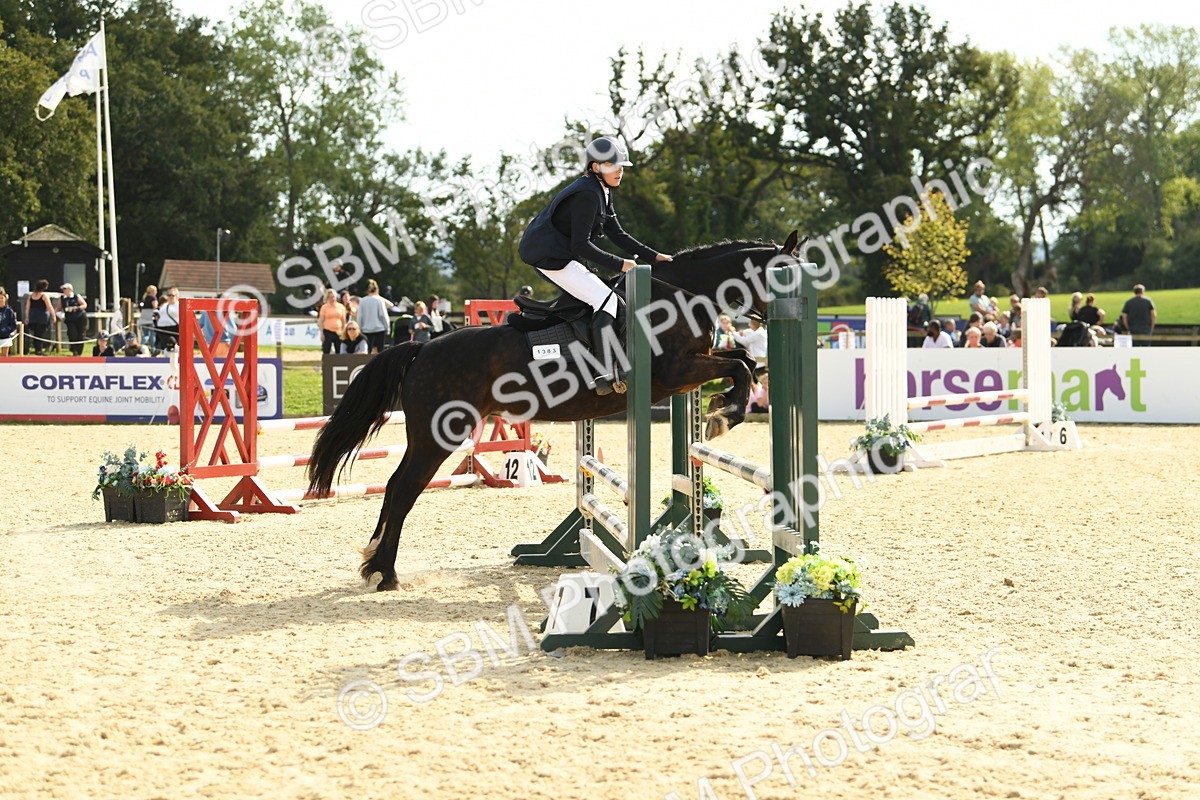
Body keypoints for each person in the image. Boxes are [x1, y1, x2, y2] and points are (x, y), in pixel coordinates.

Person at [518, 135, 672, 394]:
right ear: (595, 167)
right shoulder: (588, 194)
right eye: (612, 165)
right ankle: (603, 373)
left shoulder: (601, 191)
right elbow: (581, 245)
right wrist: (620, 264)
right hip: (550, 257)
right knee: (607, 300)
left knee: (606, 298)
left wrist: (654, 256)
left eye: (621, 166)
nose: (619, 171)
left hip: (561, 255)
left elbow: (618, 234)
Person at [356, 280, 392, 353]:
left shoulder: (362, 301)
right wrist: (387, 328)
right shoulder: (379, 300)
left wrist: (359, 329)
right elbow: (383, 315)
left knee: (367, 351)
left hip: (366, 330)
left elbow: (360, 316)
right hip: (379, 330)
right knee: (380, 352)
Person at [23, 279, 55, 355]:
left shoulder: (31, 296)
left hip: (33, 316)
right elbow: (49, 306)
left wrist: (27, 317)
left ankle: (33, 349)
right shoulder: (44, 296)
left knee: (34, 334)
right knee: (39, 334)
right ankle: (38, 350)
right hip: (42, 317)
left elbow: (27, 308)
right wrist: (53, 316)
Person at [58, 283, 88, 356]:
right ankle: (74, 350)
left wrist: (76, 308)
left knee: (81, 334)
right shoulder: (62, 298)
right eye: (63, 289)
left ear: (70, 289)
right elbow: (58, 308)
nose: (63, 290)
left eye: (65, 289)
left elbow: (84, 305)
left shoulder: (76, 296)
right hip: (70, 319)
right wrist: (58, 314)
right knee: (72, 334)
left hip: (80, 317)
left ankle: (79, 352)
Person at [317, 288, 347, 354]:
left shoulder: (341, 307)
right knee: (326, 349)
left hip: (339, 331)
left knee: (339, 350)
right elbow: (321, 320)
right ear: (327, 298)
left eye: (334, 297)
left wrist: (343, 331)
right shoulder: (324, 307)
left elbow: (343, 320)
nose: (332, 299)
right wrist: (321, 332)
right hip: (328, 330)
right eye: (330, 297)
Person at [0, 287, 16, 356]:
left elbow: (13, 325)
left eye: (1, 298)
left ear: (5, 298)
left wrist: (6, 330)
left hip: (5, 337)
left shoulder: (9, 311)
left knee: (4, 356)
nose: (0, 300)